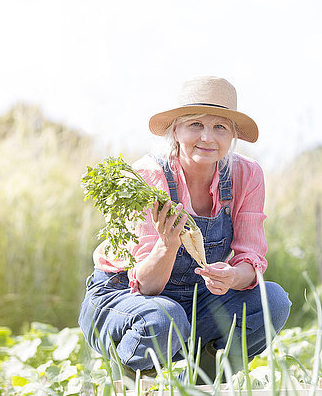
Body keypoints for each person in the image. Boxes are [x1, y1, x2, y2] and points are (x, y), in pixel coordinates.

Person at [78, 76, 291, 380]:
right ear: (175, 129)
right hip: (125, 301)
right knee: (165, 318)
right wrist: (167, 245)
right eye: (195, 125)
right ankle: (129, 376)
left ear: (232, 136)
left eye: (220, 127)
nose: (207, 137)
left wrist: (233, 276)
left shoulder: (247, 175)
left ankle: (204, 381)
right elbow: (147, 285)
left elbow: (251, 261)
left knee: (272, 302)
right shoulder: (147, 177)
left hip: (195, 299)